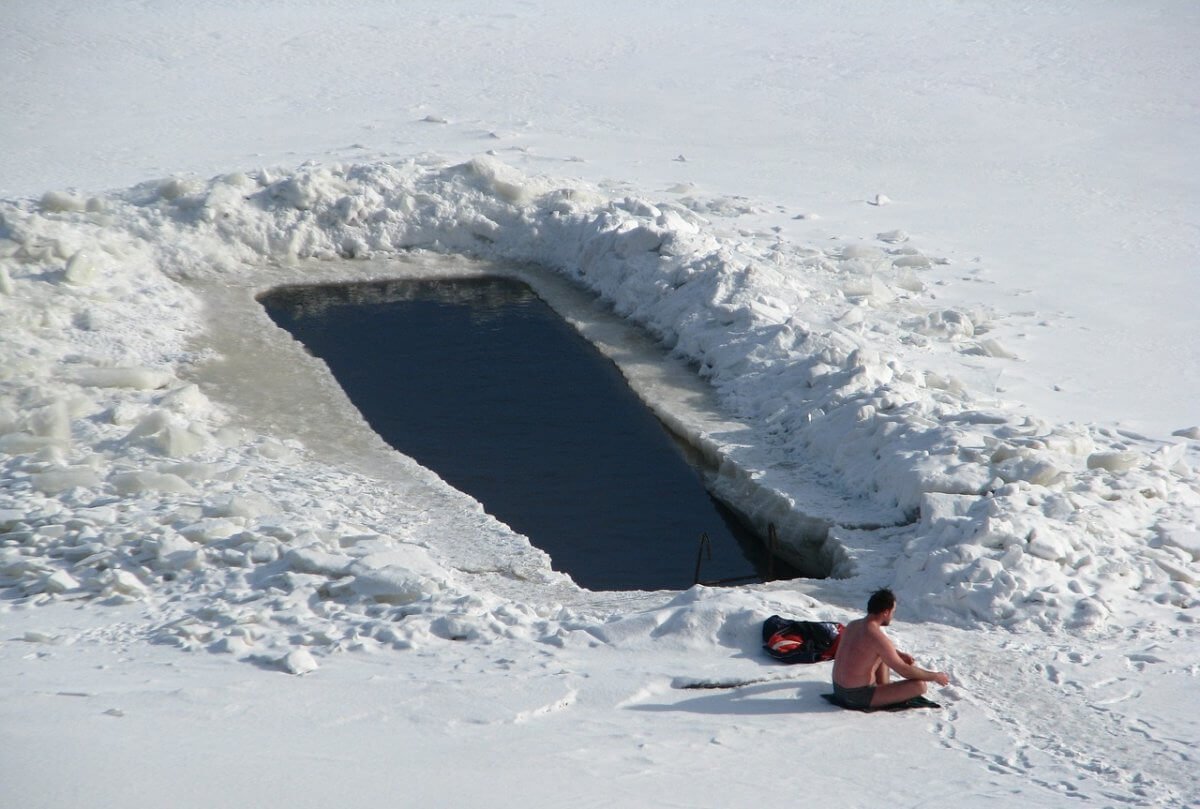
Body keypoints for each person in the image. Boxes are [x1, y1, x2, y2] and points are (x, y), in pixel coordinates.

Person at [830, 588, 949, 709]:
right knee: (919, 686)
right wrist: (935, 676)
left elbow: (866, 647)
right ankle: (883, 693)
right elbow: (905, 671)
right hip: (857, 697)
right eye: (893, 611)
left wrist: (899, 654)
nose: (893, 616)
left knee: (882, 656)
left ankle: (883, 690)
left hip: (838, 690)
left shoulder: (853, 625)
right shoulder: (876, 636)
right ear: (886, 612)